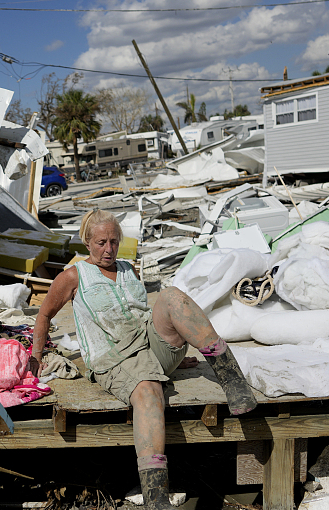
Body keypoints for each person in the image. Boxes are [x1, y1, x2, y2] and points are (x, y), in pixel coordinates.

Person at [30, 210, 257, 510]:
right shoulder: (73, 276)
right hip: (114, 358)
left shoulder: (128, 268)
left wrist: (183, 344)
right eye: (100, 242)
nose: (108, 249)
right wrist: (35, 356)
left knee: (172, 296)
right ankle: (156, 496)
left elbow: (144, 315)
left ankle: (232, 380)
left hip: (150, 346)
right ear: (87, 242)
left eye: (113, 241)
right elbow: (44, 314)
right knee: (149, 391)